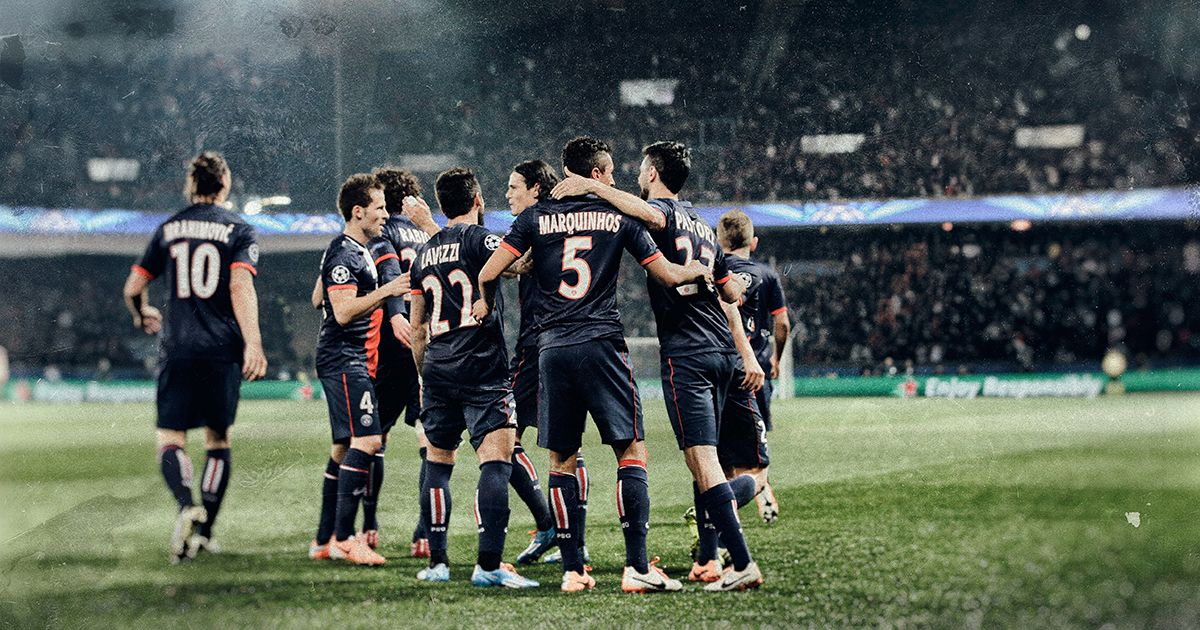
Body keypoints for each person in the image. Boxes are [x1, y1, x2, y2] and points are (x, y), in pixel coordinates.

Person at [474, 136, 710, 593]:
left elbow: (488, 272)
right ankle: (637, 566)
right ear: (597, 173)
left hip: (551, 349)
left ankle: (572, 572)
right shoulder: (616, 216)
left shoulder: (533, 218)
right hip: (601, 343)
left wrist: (485, 305)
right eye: (612, 172)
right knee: (631, 452)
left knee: (561, 460)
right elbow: (666, 273)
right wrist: (700, 272)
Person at [551, 140, 766, 591]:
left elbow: (648, 214)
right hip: (721, 352)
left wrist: (591, 188)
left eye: (641, 171)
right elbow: (731, 295)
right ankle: (710, 560)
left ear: (652, 173)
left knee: (702, 461)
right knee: (704, 462)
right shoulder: (705, 227)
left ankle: (742, 562)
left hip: (687, 354)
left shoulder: (662, 213)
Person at [122, 151, 267, 563]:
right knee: (218, 440)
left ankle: (186, 504)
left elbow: (133, 286)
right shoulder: (239, 229)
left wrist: (141, 314)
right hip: (222, 349)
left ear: (191, 184)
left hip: (178, 348)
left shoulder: (168, 229)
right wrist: (252, 342)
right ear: (224, 184)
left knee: (170, 439)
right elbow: (241, 288)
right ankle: (204, 533)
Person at [408, 167, 537, 588]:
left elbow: (417, 329)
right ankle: (488, 565)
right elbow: (516, 264)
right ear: (478, 200)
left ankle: (439, 562)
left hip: (437, 365)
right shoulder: (480, 239)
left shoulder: (423, 255)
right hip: (481, 363)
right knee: (496, 460)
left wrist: (423, 374)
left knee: (438, 463)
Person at [308, 173, 408, 566]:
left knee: (341, 448)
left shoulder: (350, 249)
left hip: (349, 358)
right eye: (380, 208)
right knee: (368, 442)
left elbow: (319, 298)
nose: (386, 215)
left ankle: (323, 540)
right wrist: (387, 290)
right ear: (358, 211)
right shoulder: (346, 252)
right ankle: (348, 539)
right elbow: (344, 310)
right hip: (344, 358)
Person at [366, 167, 440, 555]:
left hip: (391, 341)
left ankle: (368, 526)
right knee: (429, 439)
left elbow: (389, 273)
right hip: (427, 338)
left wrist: (395, 312)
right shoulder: (425, 232)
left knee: (373, 438)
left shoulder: (386, 231)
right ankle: (425, 532)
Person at [717, 209, 790, 523]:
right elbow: (783, 323)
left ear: (720, 242)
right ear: (754, 242)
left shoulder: (714, 269)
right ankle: (761, 494)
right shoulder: (768, 274)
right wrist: (776, 357)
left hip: (721, 365)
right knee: (758, 440)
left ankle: (722, 503)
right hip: (756, 367)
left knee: (719, 443)